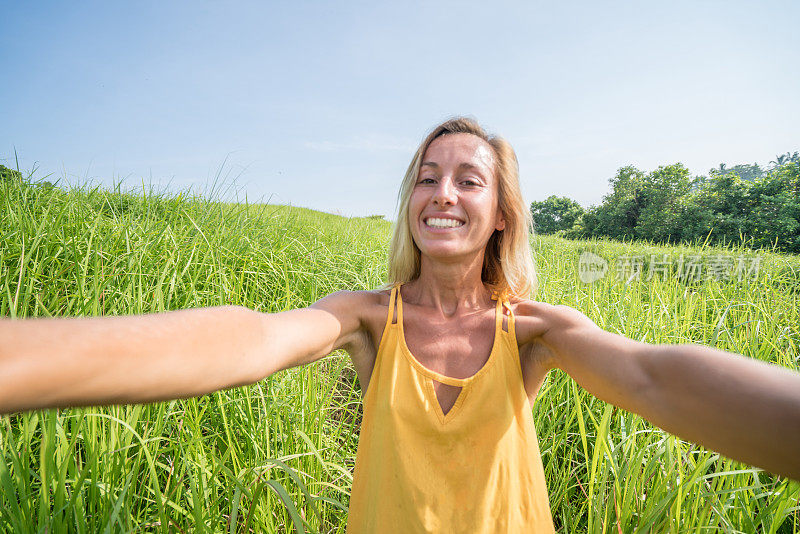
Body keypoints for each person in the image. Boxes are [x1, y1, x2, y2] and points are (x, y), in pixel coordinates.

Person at [1, 117, 799, 533]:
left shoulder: (537, 331)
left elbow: (653, 374)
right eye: (426, 177)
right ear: (410, 204)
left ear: (499, 213)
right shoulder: (362, 318)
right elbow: (251, 339)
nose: (443, 192)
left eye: (468, 178)